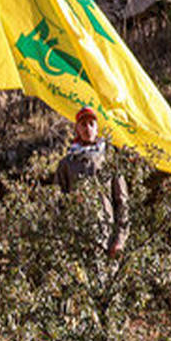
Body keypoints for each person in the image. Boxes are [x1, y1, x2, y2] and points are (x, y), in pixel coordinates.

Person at [55, 107, 128, 258]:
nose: (87, 128)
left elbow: (122, 202)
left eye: (91, 124)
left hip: (106, 240)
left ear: (97, 128)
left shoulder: (110, 160)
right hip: (76, 242)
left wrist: (120, 239)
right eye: (83, 124)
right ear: (77, 129)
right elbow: (57, 202)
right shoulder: (66, 164)